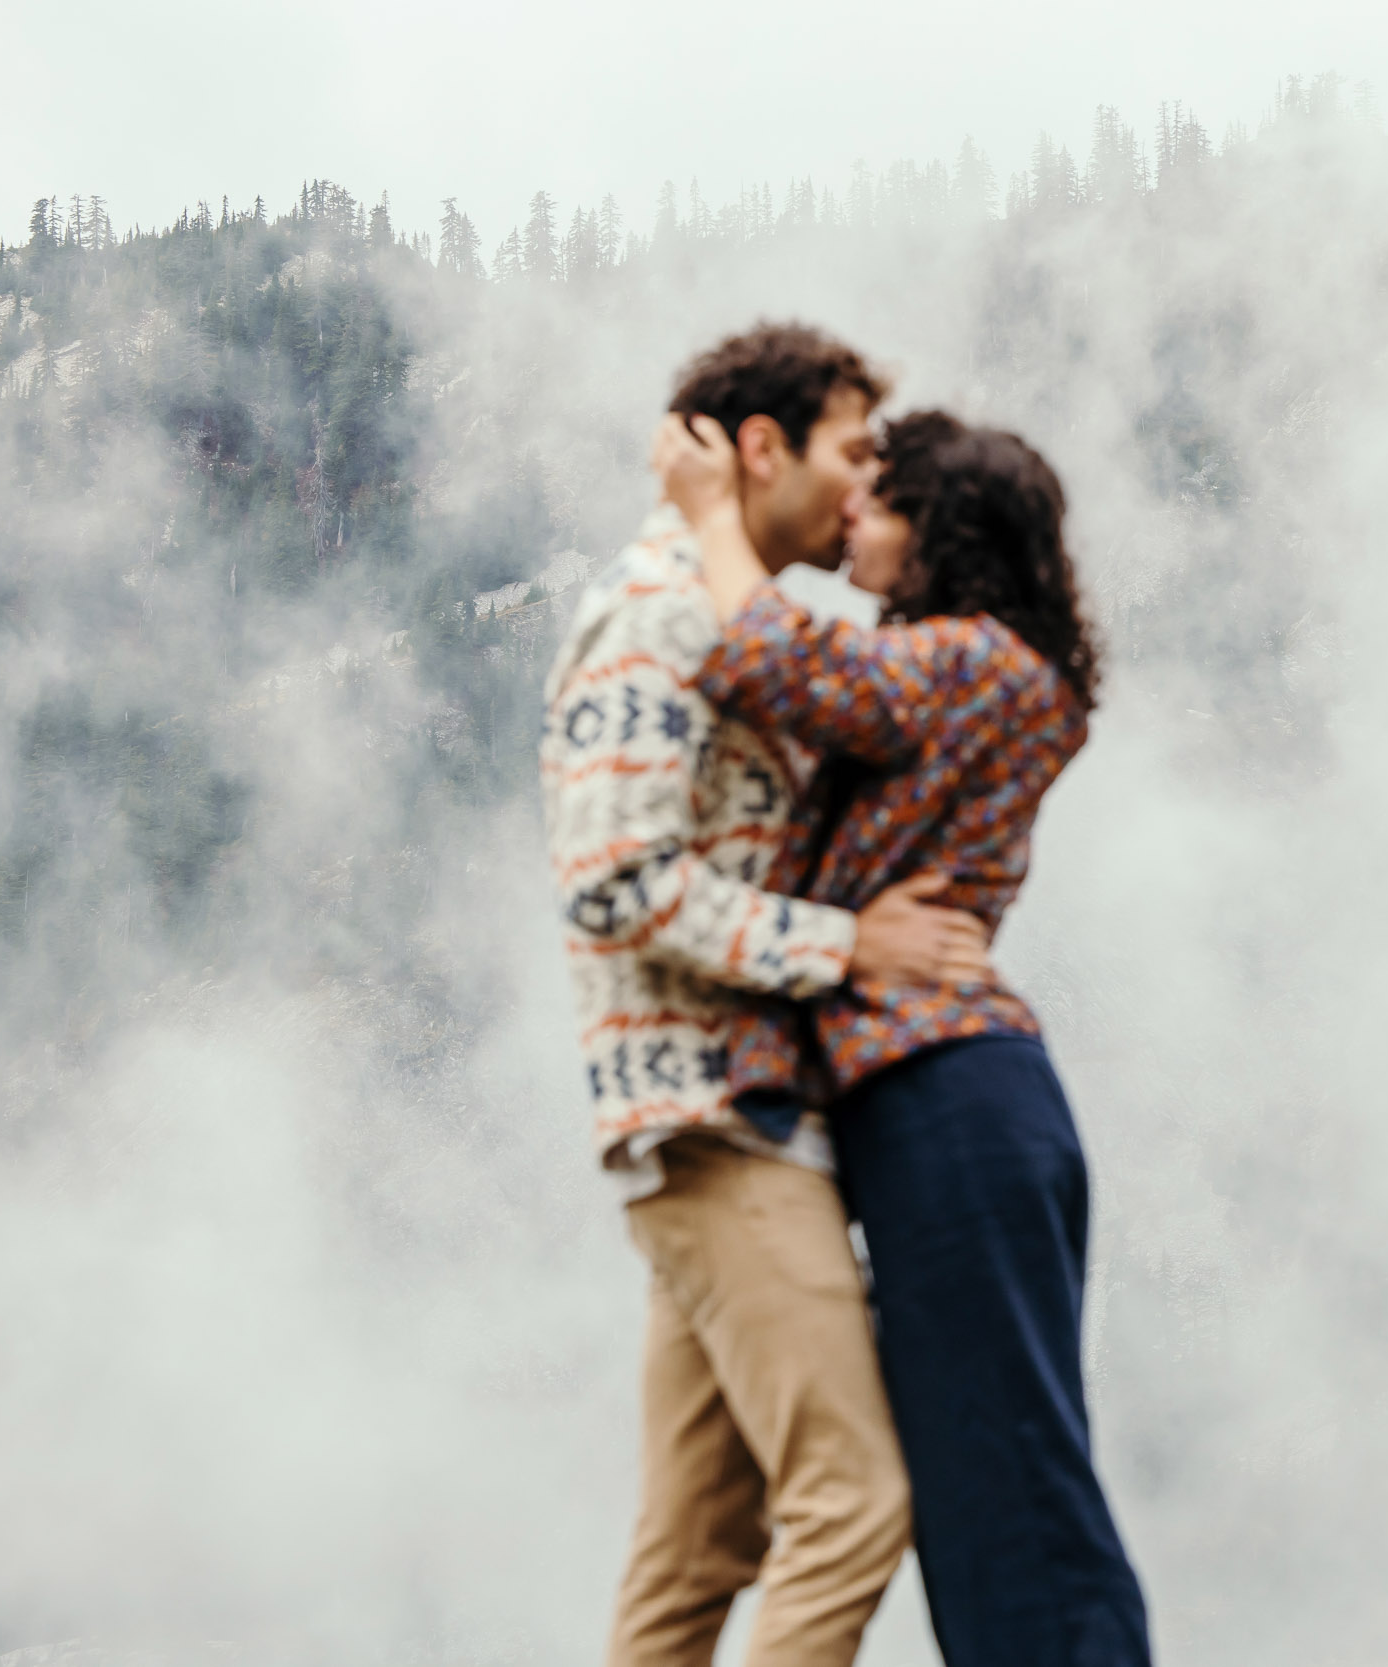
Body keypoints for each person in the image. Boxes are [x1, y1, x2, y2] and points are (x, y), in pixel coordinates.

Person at [656, 407, 1153, 1667]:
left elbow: (774, 659)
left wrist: (716, 516)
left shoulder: (975, 665)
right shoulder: (993, 671)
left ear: (938, 530)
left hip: (944, 1095)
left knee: (1008, 1482)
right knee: (979, 1475)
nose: (851, 528)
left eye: (878, 506)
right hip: (940, 1103)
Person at [541, 323, 992, 1667]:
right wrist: (847, 945)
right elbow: (613, 878)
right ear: (760, 446)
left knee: (694, 1554)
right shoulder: (661, 611)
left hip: (722, 1120)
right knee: (854, 1502)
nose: (864, 488)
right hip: (722, 1119)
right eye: (850, 450)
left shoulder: (721, 604)